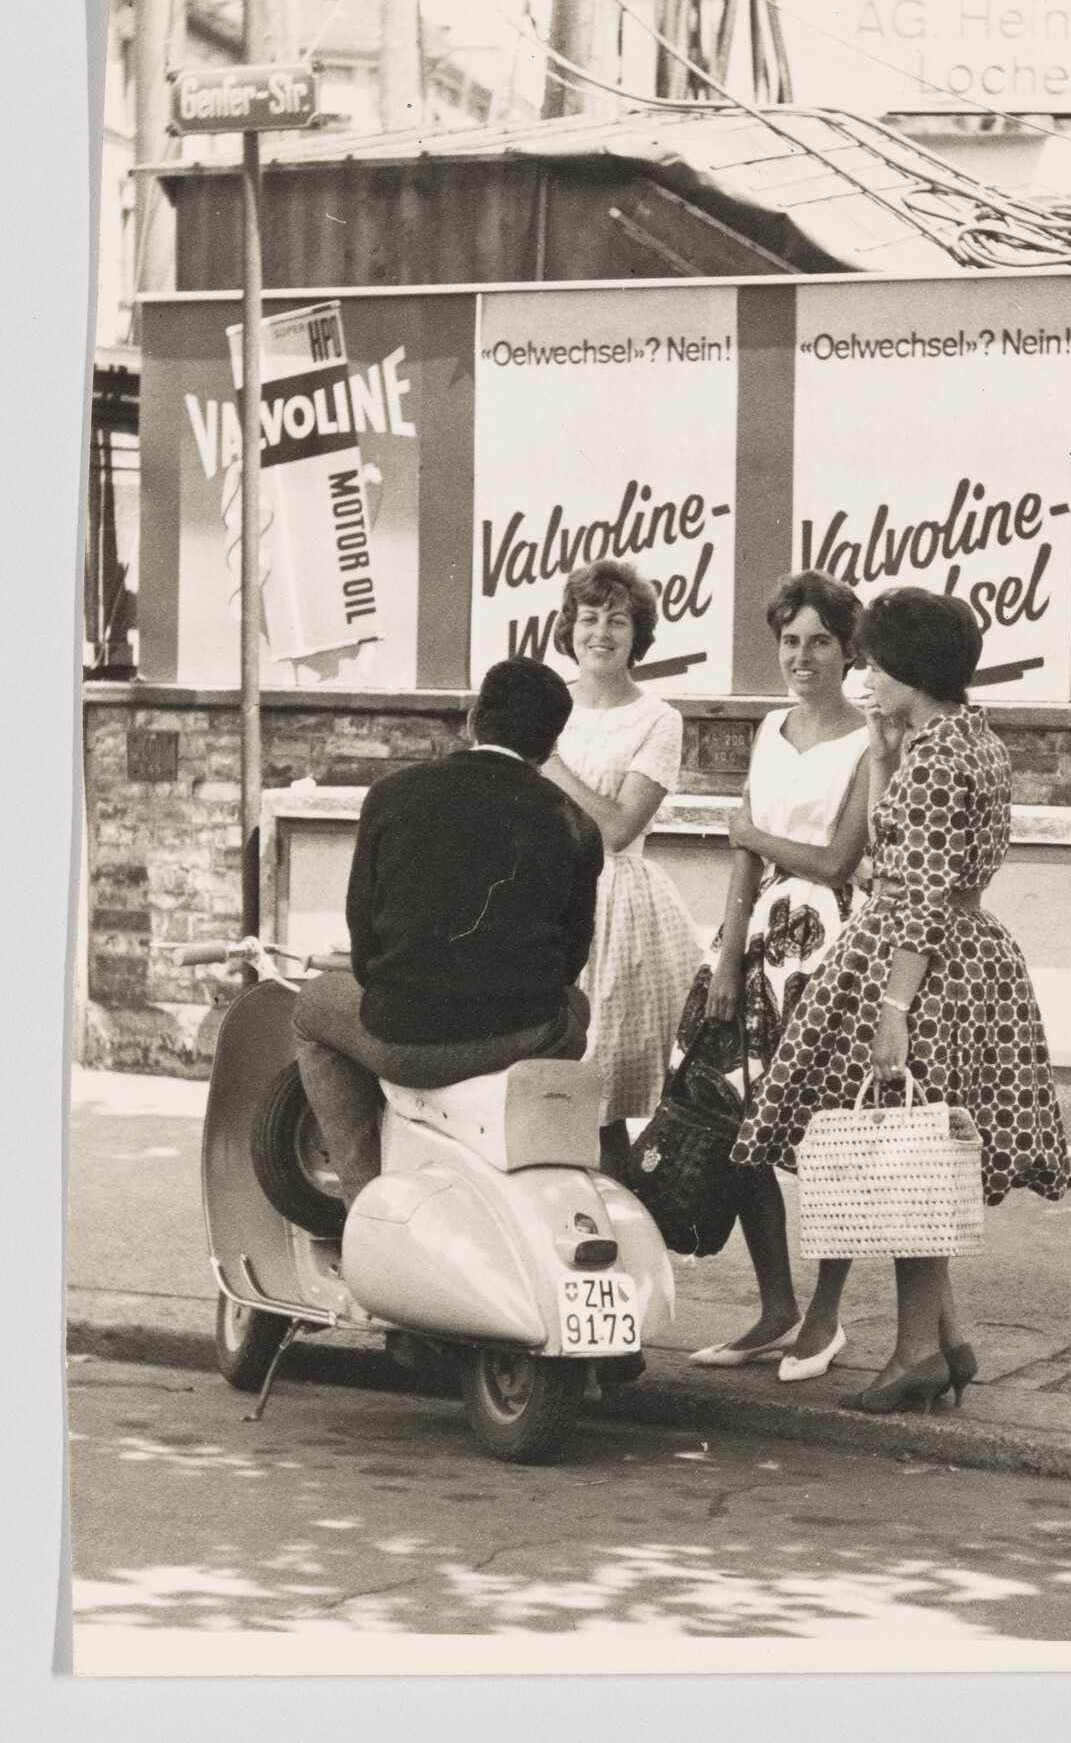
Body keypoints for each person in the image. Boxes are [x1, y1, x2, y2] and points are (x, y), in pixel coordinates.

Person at [730, 586, 1071, 1408]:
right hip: (972, 955)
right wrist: (883, 751)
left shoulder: (935, 759)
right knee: (923, 1152)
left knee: (904, 1150)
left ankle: (918, 1347)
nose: (864, 674)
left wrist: (892, 1011)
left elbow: (914, 892)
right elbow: (921, 848)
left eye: (875, 661)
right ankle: (947, 1339)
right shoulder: (967, 739)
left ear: (909, 667)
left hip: (921, 965)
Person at [292, 659, 604, 1208]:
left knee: (311, 1008)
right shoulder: (576, 822)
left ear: (473, 718)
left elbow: (364, 950)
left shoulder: (391, 794)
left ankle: (366, 1199)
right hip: (523, 1036)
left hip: (406, 1040)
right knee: (575, 1006)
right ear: (550, 749)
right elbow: (569, 963)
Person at [675, 570, 871, 1367]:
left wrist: (749, 837)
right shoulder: (769, 728)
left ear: (847, 649)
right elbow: (740, 856)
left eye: (820, 641)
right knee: (734, 1121)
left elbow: (837, 859)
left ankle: (825, 1315)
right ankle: (774, 1309)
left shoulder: (870, 739)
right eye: (789, 641)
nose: (802, 656)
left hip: (829, 947)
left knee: (828, 1132)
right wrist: (725, 956)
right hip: (755, 941)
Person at [541, 559, 702, 1180]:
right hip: (543, 901)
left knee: (600, 1099)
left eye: (617, 620)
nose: (600, 632)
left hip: (613, 908)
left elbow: (617, 827)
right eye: (588, 618)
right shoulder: (548, 702)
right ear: (569, 627)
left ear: (638, 636)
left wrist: (549, 764)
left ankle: (622, 1236)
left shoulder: (658, 718)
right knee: (545, 1091)